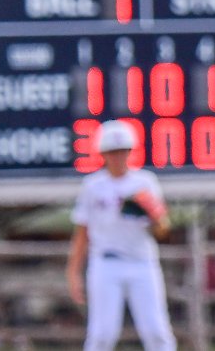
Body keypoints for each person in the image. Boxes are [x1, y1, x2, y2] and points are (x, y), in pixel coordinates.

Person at [66, 120, 177, 350]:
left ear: (130, 152)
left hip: (142, 261)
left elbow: (163, 230)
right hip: (106, 263)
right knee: (102, 334)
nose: (118, 157)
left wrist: (153, 213)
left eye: (122, 151)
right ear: (103, 154)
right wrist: (73, 273)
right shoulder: (93, 186)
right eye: (113, 152)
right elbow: (82, 233)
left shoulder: (145, 182)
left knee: (156, 332)